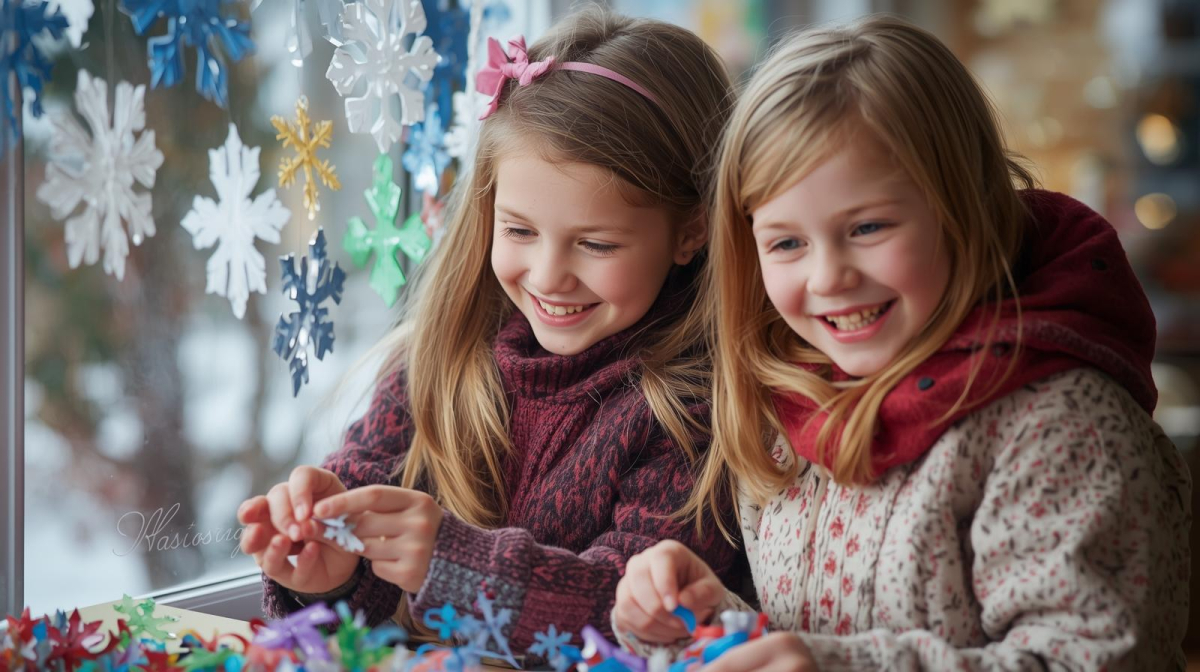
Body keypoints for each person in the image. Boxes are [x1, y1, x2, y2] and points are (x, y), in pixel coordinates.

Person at [613, 15, 1190, 670]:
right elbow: (826, 635)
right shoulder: (792, 403)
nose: (828, 275)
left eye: (867, 227)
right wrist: (715, 624)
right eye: (787, 243)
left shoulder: (1061, 427)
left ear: (960, 206)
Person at [236, 7, 741, 651]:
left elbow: (635, 616)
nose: (549, 276)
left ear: (691, 231)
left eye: (595, 244)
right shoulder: (445, 360)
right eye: (520, 231)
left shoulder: (692, 411)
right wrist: (326, 574)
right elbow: (359, 605)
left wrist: (451, 563)